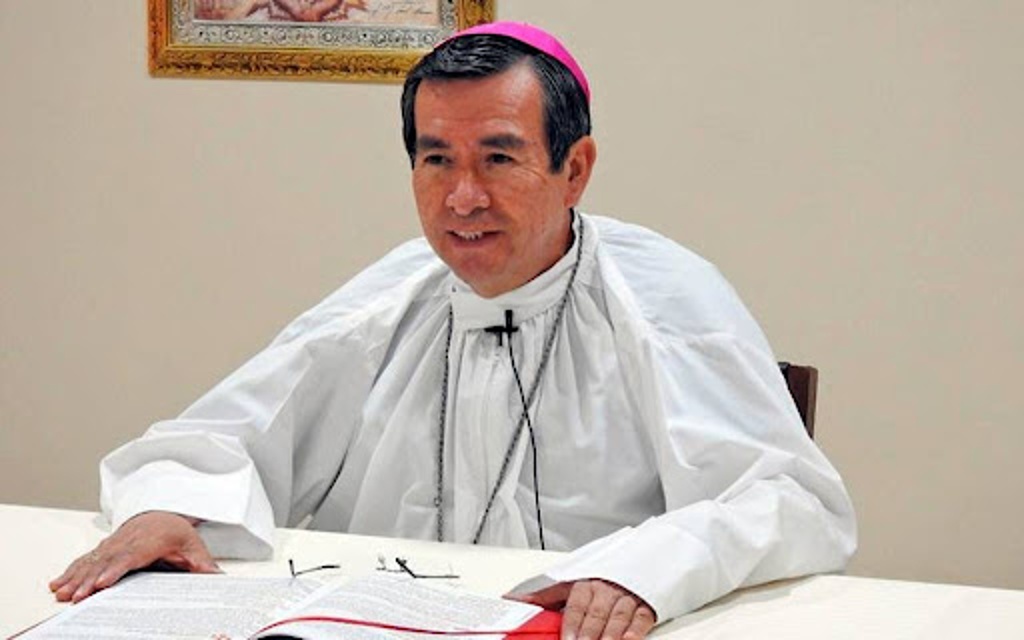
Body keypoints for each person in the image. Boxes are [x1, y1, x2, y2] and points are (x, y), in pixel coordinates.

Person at [50, 21, 856, 640]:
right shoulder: (388, 298)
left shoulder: (665, 299)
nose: (463, 198)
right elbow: (214, 441)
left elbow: (790, 499)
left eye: (498, 159)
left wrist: (644, 571)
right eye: (437, 160)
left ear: (575, 168)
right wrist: (170, 508)